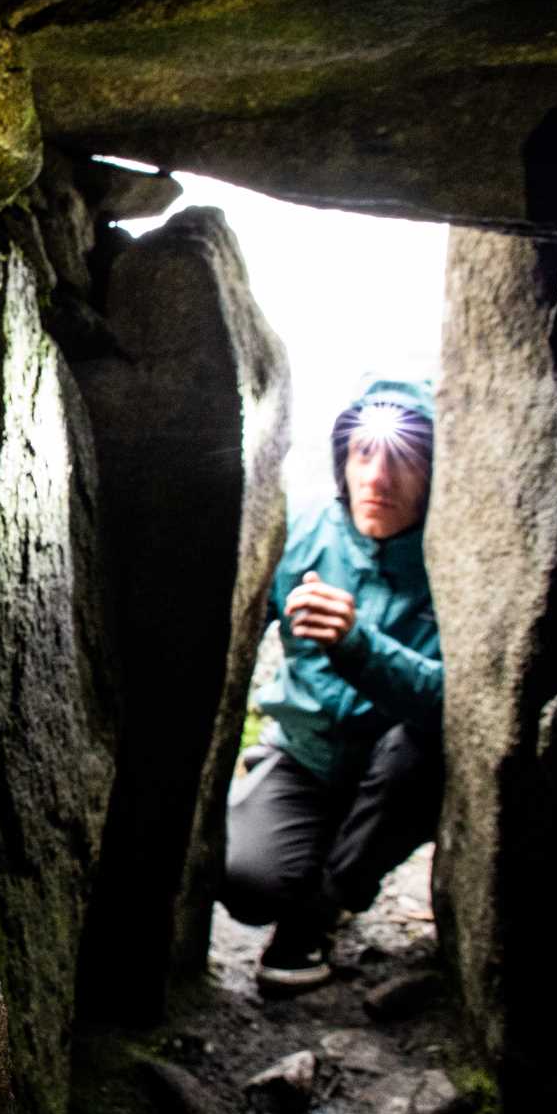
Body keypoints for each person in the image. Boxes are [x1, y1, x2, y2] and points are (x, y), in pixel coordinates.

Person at [223, 378, 444, 993]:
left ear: (435, 472)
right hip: (307, 756)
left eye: (404, 458)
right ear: (343, 459)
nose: (377, 479)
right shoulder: (303, 529)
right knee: (248, 886)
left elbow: (457, 703)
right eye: (364, 454)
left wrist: (357, 644)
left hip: (397, 770)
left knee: (416, 751)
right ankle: (303, 851)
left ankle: (319, 915)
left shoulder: (451, 556)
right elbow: (235, 622)